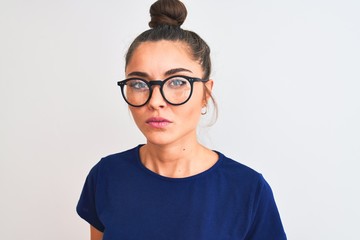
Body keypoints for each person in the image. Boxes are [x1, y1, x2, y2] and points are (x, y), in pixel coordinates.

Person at [76, 0, 287, 239]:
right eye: (139, 83)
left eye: (177, 82)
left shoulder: (248, 190)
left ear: (206, 93)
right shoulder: (106, 176)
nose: (155, 101)